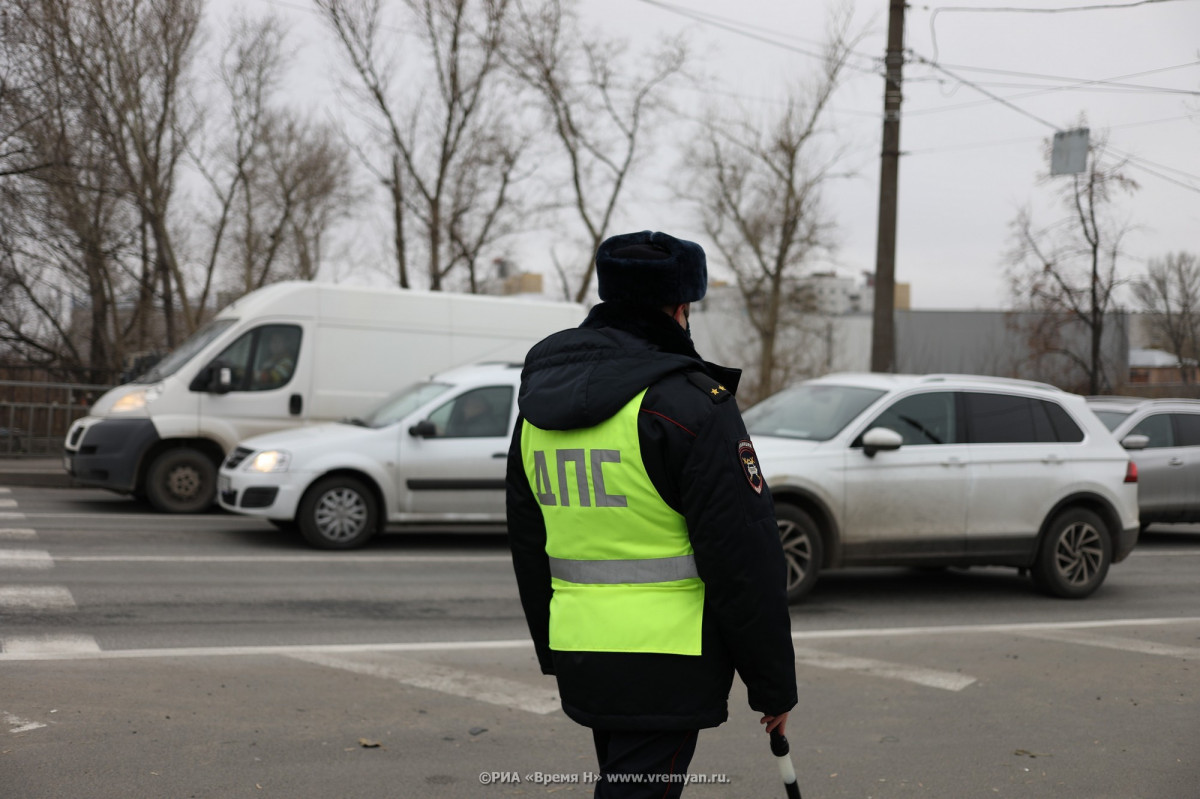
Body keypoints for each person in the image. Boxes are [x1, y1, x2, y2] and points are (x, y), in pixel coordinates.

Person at [506, 230, 797, 797]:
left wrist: (553, 649)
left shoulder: (538, 409)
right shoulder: (689, 405)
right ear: (681, 307)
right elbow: (744, 557)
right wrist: (773, 688)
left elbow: (528, 544)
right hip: (669, 658)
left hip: (582, 649)